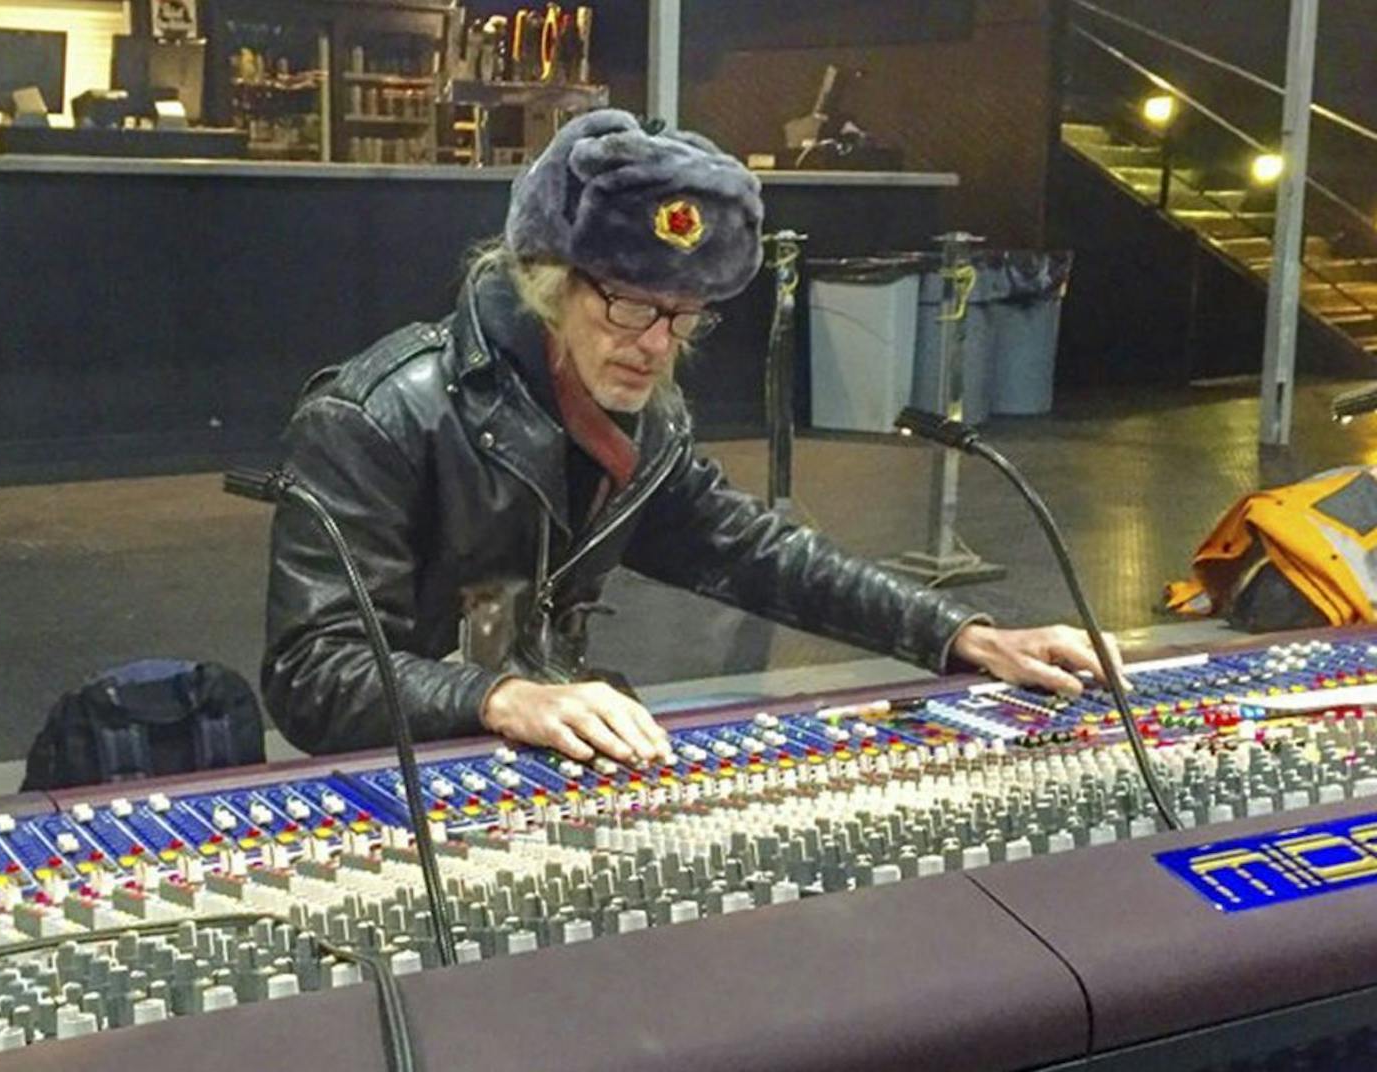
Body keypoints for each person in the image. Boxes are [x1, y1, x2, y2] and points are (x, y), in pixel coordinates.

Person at [262, 109, 1121, 763]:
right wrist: (499, 697)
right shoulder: (376, 414)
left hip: (549, 739)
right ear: (547, 279)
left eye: (683, 315)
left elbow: (756, 552)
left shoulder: (645, 416)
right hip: (408, 766)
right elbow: (310, 674)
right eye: (631, 304)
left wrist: (966, 636)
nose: (656, 344)